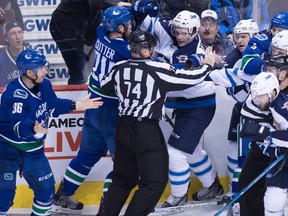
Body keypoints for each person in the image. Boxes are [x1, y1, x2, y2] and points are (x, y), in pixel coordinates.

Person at [100, 29, 215, 216]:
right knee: (154, 183)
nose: (154, 52)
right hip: (145, 131)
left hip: (123, 128)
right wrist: (207, 65)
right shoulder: (157, 69)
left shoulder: (118, 67)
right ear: (145, 51)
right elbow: (191, 79)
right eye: (152, 49)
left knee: (122, 179)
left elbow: (104, 83)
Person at [0, 48, 103, 216]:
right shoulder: (15, 94)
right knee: (3, 197)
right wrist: (33, 128)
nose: (45, 70)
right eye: (41, 68)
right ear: (29, 72)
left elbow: (53, 105)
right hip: (7, 148)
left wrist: (77, 105)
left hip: (33, 149)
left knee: (46, 194)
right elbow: (18, 125)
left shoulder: (44, 84)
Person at [51, 6, 133, 215]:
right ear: (121, 28)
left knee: (86, 155)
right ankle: (107, 207)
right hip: (111, 110)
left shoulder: (100, 34)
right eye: (129, 23)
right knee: (122, 164)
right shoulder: (124, 51)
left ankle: (62, 195)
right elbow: (145, 57)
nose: (132, 26)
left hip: (93, 104)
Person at [141, 10, 224, 206]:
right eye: (177, 32)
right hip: (184, 105)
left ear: (194, 31)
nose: (180, 36)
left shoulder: (198, 52)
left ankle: (178, 195)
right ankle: (213, 185)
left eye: (185, 33)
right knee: (190, 149)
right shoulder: (170, 34)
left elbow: (179, 78)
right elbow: (146, 21)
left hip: (199, 106)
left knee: (175, 151)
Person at [237, 29, 288, 216]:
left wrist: (266, 132)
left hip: (279, 149)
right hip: (268, 149)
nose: (269, 72)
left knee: (274, 199)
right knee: (248, 185)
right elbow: (249, 109)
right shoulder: (267, 85)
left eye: (280, 53)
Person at [49, 0, 131, 85]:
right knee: (80, 74)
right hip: (66, 27)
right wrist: (117, 4)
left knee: (87, 68)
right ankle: (78, 96)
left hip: (85, 24)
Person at [0, 21, 26, 87]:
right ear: (6, 38)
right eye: (13, 33)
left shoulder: (33, 56)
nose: (17, 37)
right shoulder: (1, 60)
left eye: (20, 32)